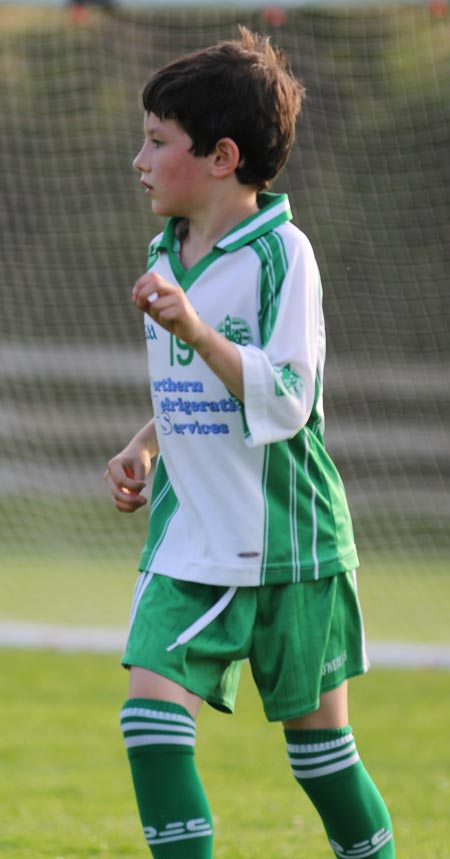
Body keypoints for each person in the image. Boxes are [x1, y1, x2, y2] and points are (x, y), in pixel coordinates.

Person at [104, 26, 395, 859]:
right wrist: (147, 443)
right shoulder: (168, 252)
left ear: (222, 156)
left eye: (158, 141)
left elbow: (289, 395)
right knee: (150, 724)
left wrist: (193, 328)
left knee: (322, 760)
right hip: (193, 539)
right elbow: (195, 386)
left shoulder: (282, 255)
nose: (140, 159)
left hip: (288, 547)